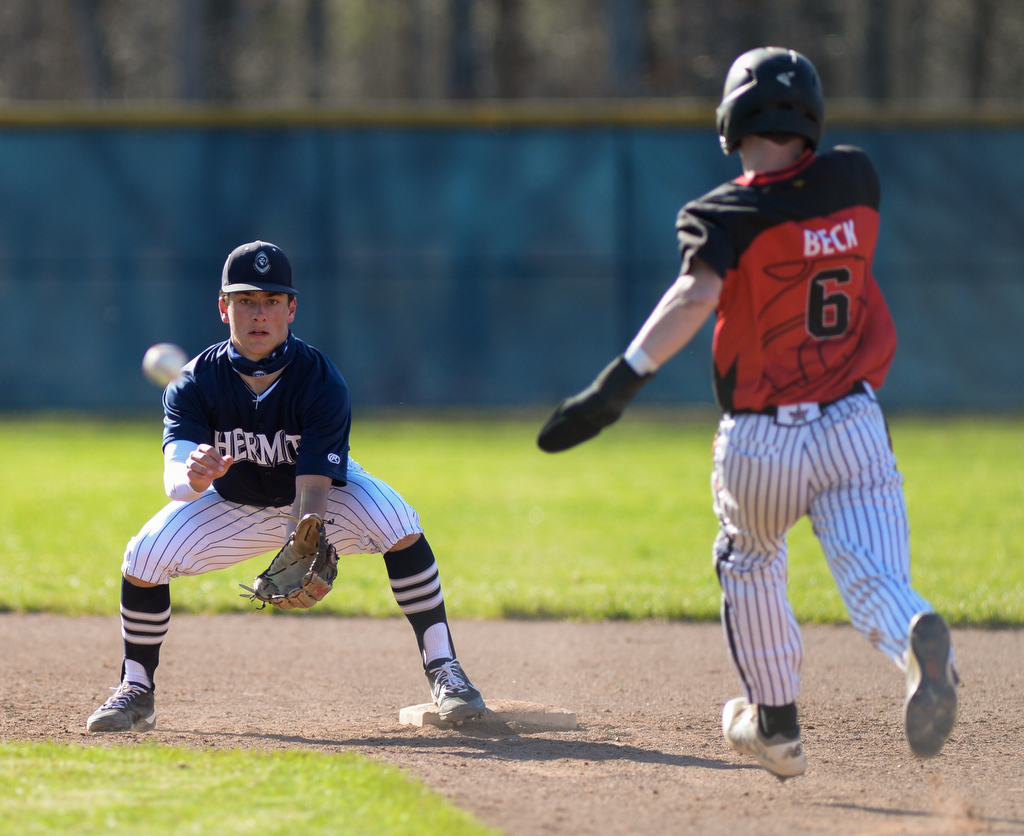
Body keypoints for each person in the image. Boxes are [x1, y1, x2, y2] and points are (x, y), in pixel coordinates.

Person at [537, 47, 958, 780]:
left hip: (762, 437)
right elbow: (807, 212)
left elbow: (695, 298)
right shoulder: (856, 177)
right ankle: (914, 636)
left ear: (730, 121)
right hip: (854, 424)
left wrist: (617, 385)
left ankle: (776, 726)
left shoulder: (722, 213)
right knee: (873, 580)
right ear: (813, 119)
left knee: (751, 560)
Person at [87, 240, 486, 732]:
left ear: (291, 309)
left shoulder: (320, 380)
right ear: (223, 307)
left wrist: (308, 533)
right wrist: (192, 477)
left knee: (397, 522)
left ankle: (445, 669)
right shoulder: (192, 383)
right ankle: (135, 689)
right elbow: (175, 477)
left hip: (321, 496)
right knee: (142, 557)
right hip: (234, 502)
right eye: (246, 300)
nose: (259, 314)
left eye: (272, 301)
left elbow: (315, 480)